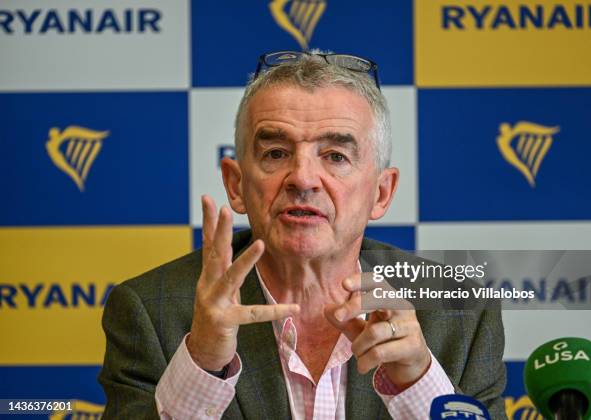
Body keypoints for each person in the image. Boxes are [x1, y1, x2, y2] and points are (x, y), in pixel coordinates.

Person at [98, 51, 507, 419]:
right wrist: (203, 363)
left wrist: (416, 384)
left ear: (381, 193)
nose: (304, 178)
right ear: (236, 184)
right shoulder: (149, 311)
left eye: (335, 156)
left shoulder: (460, 312)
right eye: (276, 153)